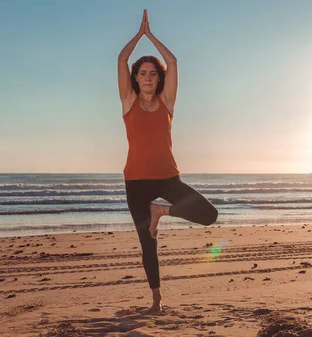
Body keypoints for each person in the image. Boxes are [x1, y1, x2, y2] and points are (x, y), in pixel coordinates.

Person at [118, 9, 218, 313]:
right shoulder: (128, 102)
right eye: (143, 73)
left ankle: (162, 210)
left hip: (167, 178)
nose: (148, 77)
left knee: (208, 215)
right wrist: (138, 35)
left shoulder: (167, 103)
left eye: (153, 73)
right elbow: (121, 60)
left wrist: (151, 36)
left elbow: (173, 62)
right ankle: (157, 301)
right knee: (147, 242)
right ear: (135, 78)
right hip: (135, 181)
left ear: (158, 78)